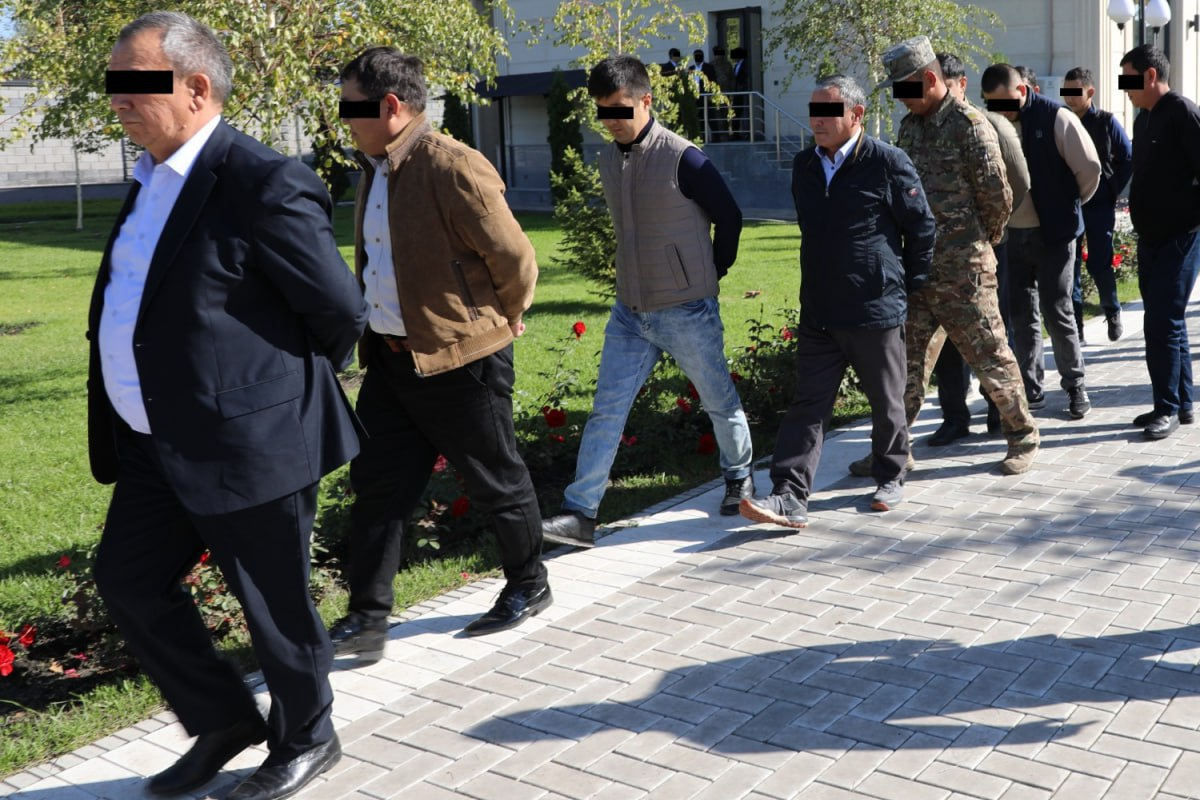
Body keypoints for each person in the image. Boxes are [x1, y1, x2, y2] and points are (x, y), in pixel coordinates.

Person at [90, 12, 367, 800]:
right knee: (129, 580)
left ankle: (308, 735)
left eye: (136, 83)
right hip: (153, 440)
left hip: (249, 440)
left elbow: (339, 311)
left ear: (197, 87)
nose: (118, 99)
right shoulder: (148, 178)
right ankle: (222, 721)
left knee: (272, 602)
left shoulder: (261, 181)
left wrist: (265, 401)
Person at [329, 47, 551, 657]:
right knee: (378, 486)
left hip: (461, 358)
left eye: (350, 107)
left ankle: (529, 583)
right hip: (391, 359)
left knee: (495, 477)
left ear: (390, 106)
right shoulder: (375, 167)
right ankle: (367, 618)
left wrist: (505, 317)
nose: (344, 119)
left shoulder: (452, 165)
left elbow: (515, 257)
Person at [541, 55, 753, 547]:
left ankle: (739, 476)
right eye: (604, 112)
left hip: (686, 310)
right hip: (630, 313)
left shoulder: (684, 158)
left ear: (646, 101)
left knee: (718, 399)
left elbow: (731, 216)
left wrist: (711, 272)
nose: (611, 121)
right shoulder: (608, 159)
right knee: (606, 410)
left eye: (620, 110)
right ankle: (580, 514)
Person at [738, 76, 934, 528]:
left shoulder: (887, 162)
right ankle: (789, 495)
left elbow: (921, 227)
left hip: (874, 308)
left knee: (886, 401)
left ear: (856, 115)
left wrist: (904, 284)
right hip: (820, 309)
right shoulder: (805, 164)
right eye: (813, 111)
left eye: (827, 112)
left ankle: (891, 475)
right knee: (808, 404)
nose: (816, 121)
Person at [851, 36, 1039, 477]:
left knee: (991, 356)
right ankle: (893, 449)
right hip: (918, 270)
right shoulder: (909, 128)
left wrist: (976, 247)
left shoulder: (970, 126)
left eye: (906, 89)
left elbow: (998, 198)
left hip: (965, 272)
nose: (902, 99)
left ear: (930, 79)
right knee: (904, 365)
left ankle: (1023, 436)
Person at [981, 63, 1100, 419]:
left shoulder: (1057, 118)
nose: (999, 110)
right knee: (1021, 316)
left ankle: (1075, 386)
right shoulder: (990, 123)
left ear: (1022, 91)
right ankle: (1031, 390)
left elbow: (1089, 168)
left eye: (1004, 102)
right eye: (991, 103)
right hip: (1011, 236)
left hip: (1054, 235)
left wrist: (1066, 206)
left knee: (1057, 311)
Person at [924, 52, 1030, 445]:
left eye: (949, 85)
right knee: (945, 349)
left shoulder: (985, 124)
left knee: (989, 339)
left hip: (979, 252)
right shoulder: (917, 127)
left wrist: (987, 233)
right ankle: (954, 417)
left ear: (960, 84)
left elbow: (1015, 184)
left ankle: (1001, 416)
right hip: (933, 263)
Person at [1119, 45, 1200, 439]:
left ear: (1151, 75)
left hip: (1180, 237)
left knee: (1160, 323)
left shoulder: (1183, 112)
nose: (1125, 89)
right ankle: (1181, 403)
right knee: (1167, 318)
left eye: (1129, 80)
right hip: (1150, 237)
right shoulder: (1143, 119)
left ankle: (1165, 408)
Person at [1062, 66, 1133, 344]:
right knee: (1071, 266)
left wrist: (1112, 189)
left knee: (1100, 263)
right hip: (1071, 204)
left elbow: (1127, 157)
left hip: (1099, 204)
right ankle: (1076, 328)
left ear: (1090, 92)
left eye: (1075, 93)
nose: (1069, 98)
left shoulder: (1106, 121)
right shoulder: (1061, 120)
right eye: (1066, 92)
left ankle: (1112, 311)